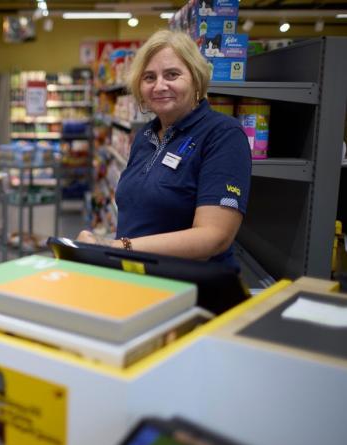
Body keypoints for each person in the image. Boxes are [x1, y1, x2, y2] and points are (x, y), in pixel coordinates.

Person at [77, 30, 251, 270]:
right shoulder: (144, 137)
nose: (159, 86)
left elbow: (214, 237)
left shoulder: (223, 135)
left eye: (172, 74)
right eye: (149, 77)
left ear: (196, 78)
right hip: (139, 277)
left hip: (192, 289)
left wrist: (116, 247)